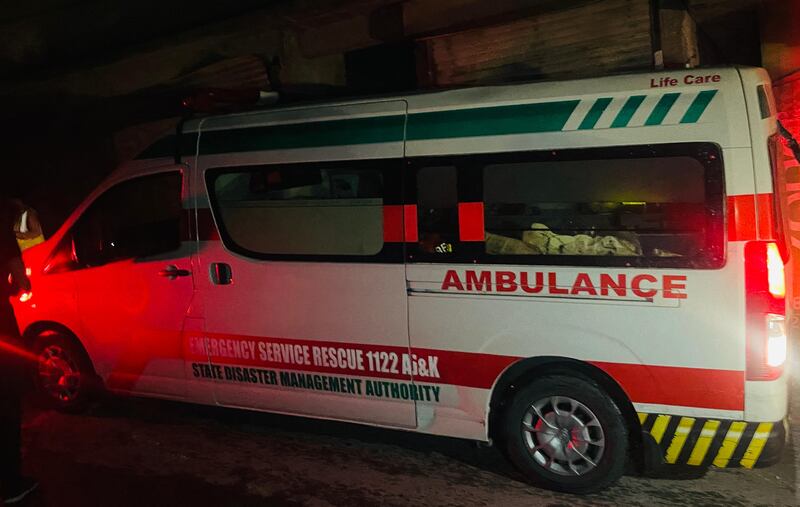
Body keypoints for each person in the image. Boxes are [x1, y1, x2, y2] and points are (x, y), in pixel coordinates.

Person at [0, 198, 37, 504]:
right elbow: (22, 280)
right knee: (8, 401)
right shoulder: (3, 234)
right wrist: (20, 286)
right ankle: (11, 484)